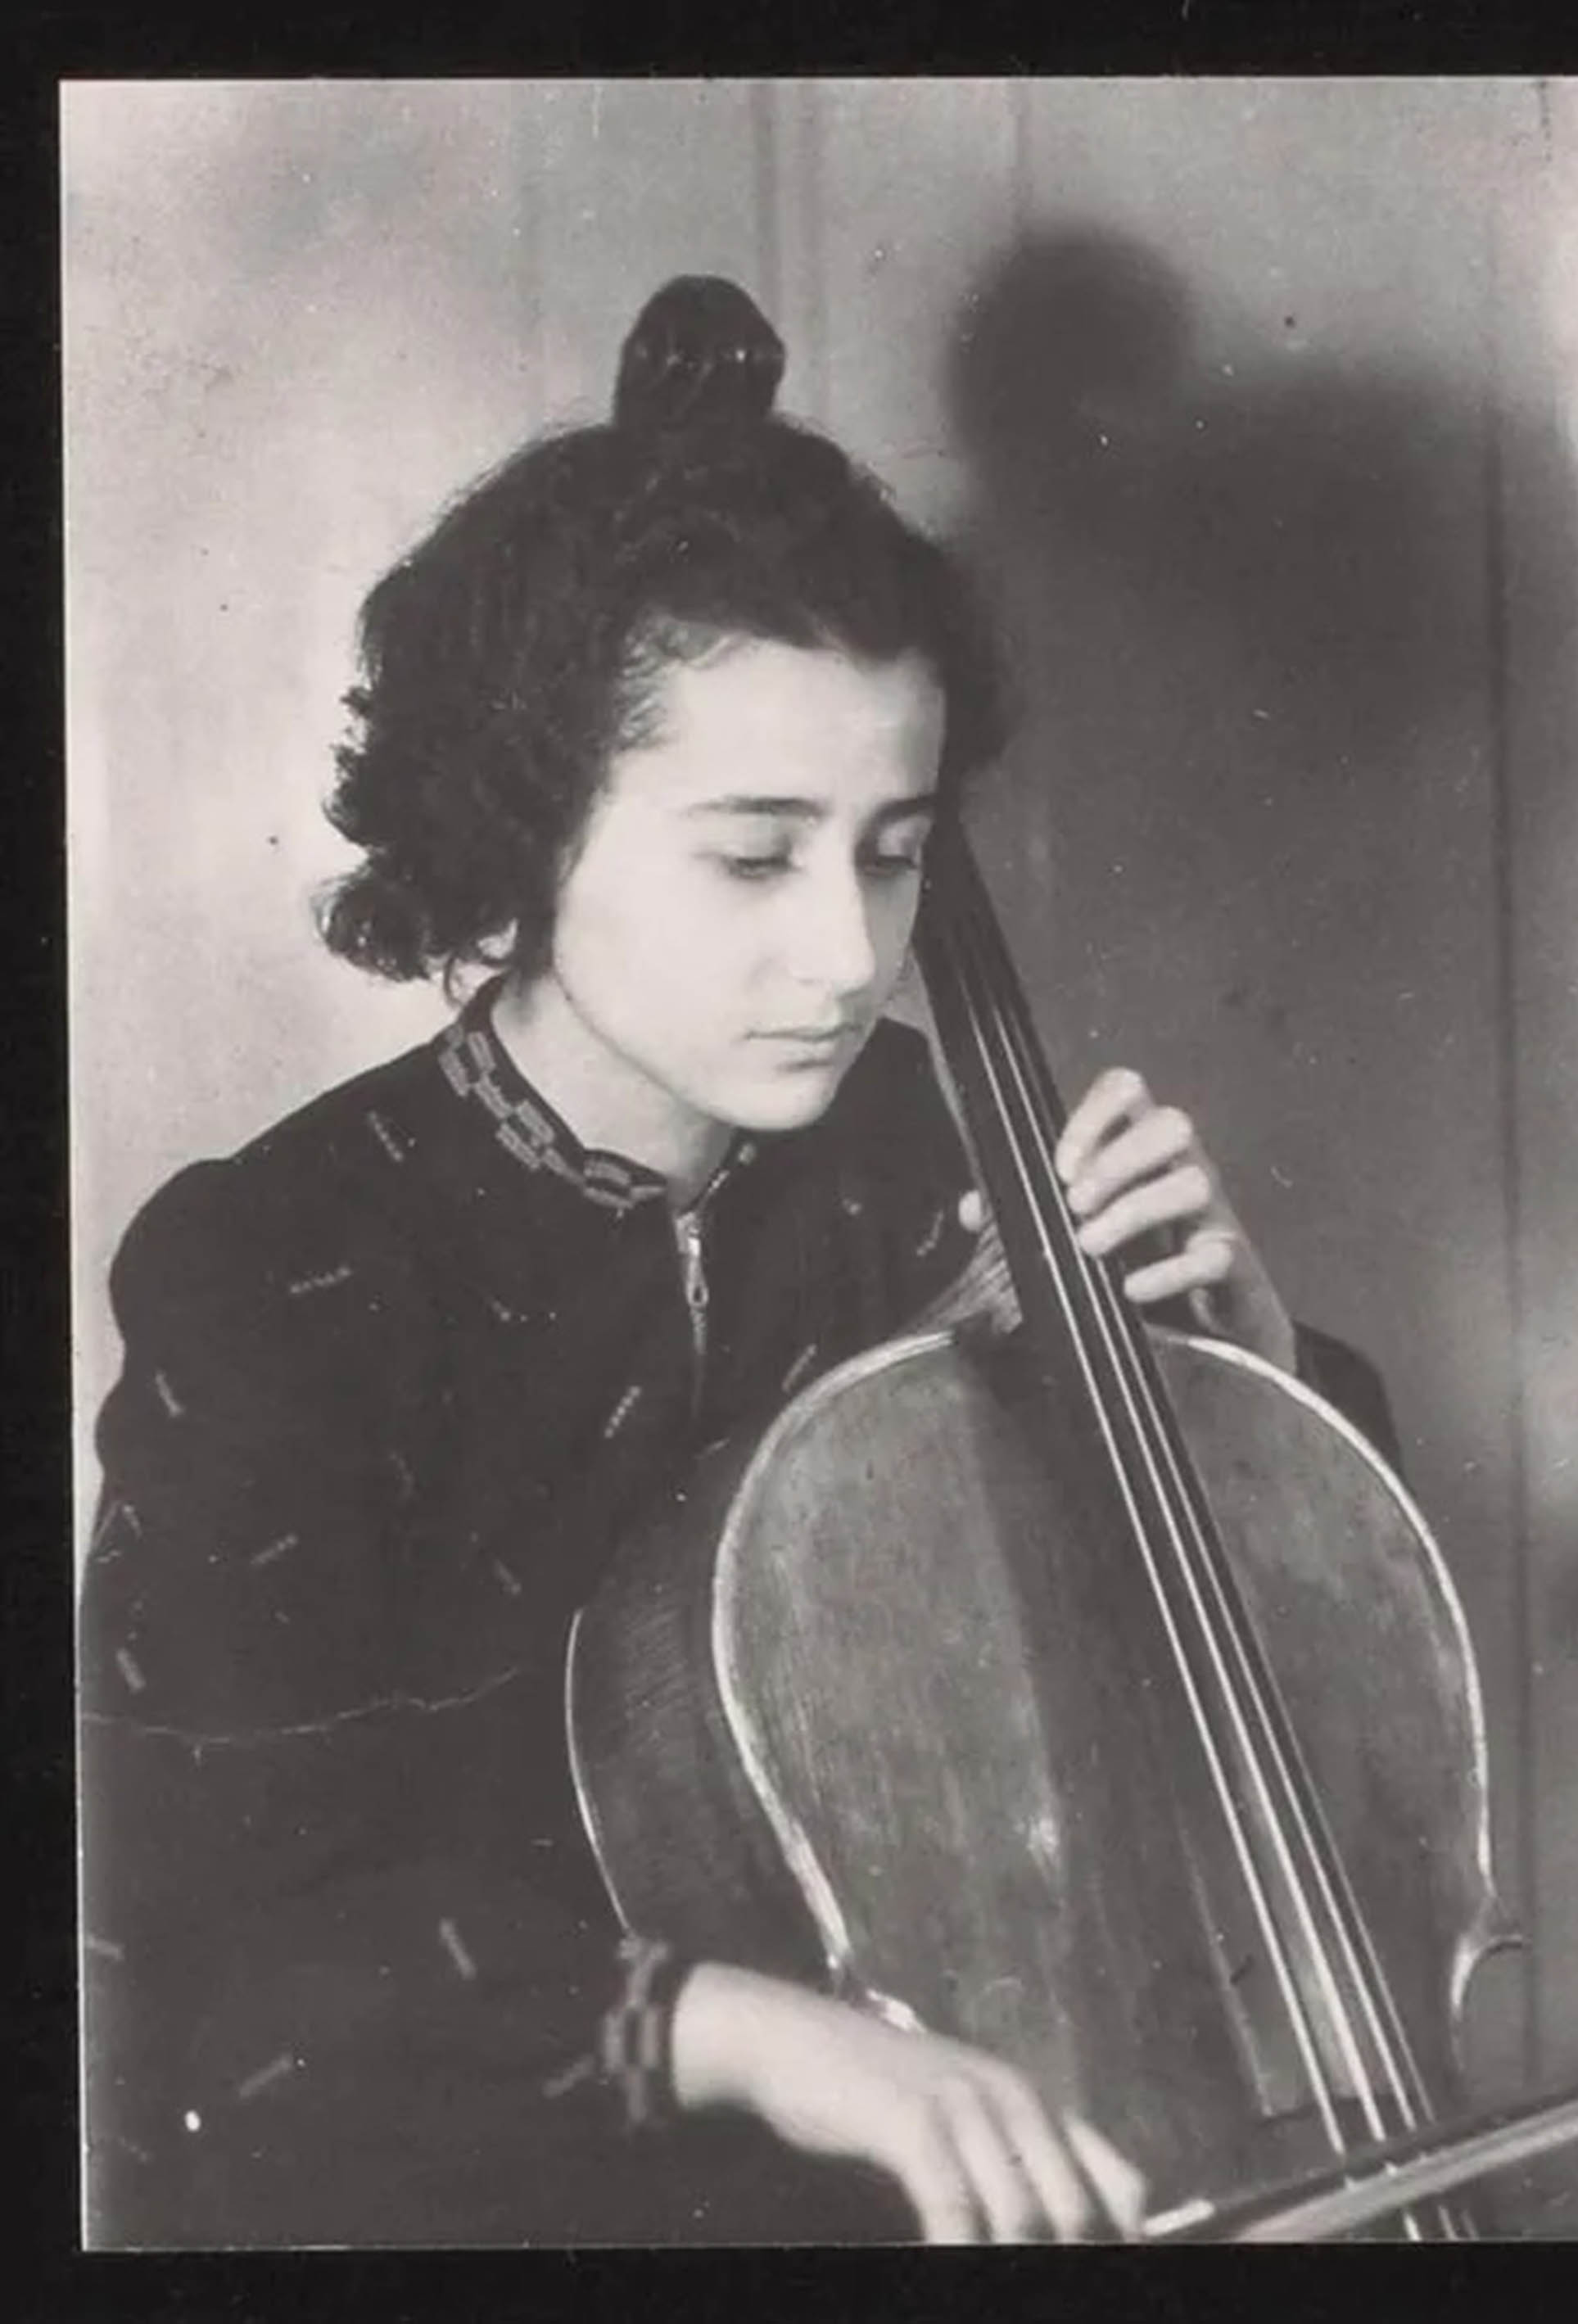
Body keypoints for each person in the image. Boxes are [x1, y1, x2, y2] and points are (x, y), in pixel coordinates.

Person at [78, 276, 1398, 2248]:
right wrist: (771, 2039)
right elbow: (227, 1974)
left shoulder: (913, 1151)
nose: (854, 956)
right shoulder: (275, 1271)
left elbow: (1204, 1688)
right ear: (525, 832)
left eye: (892, 848)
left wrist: (1239, 1361)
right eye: (753, 852)